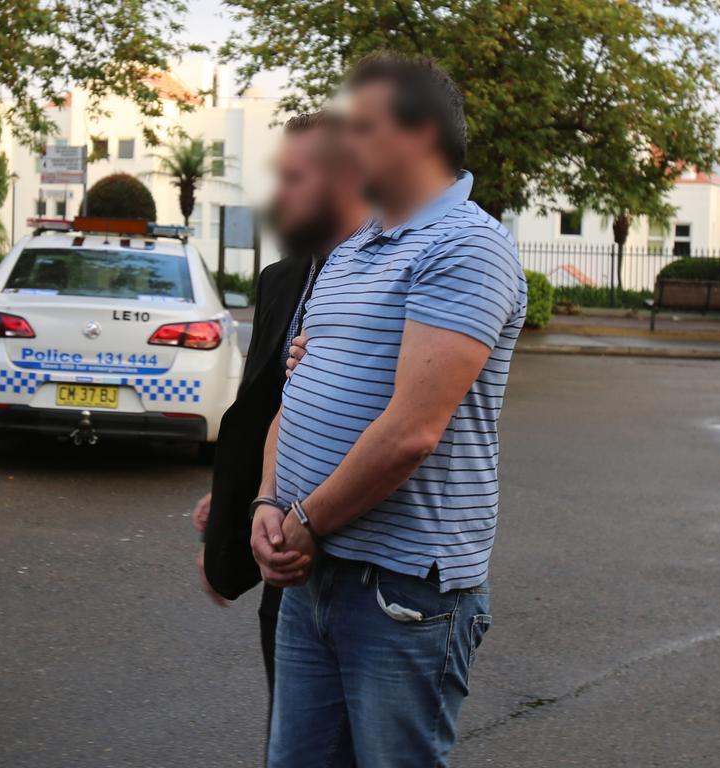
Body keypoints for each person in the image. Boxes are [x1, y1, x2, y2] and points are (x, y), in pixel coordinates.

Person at [250, 53, 528, 767]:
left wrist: (305, 519)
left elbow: (411, 433)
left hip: (398, 593)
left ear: (419, 135)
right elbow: (298, 394)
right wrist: (265, 502)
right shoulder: (352, 249)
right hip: (313, 573)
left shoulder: (467, 246)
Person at [192, 111, 368, 695]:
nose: (278, 193)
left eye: (295, 178)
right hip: (283, 562)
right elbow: (262, 406)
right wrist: (229, 507)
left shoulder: (390, 282)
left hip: (364, 562)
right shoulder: (281, 279)